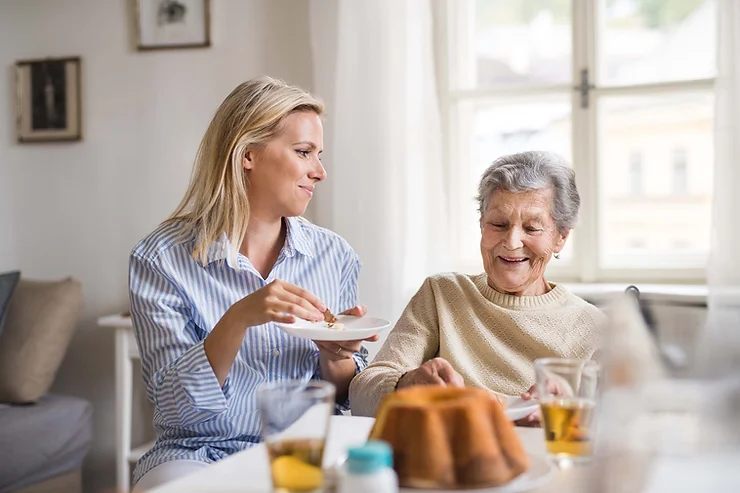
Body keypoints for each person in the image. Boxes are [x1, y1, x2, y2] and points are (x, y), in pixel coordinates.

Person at [128, 76, 376, 491]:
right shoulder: (160, 259)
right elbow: (174, 411)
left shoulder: (335, 255)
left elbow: (346, 392)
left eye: (319, 155)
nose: (320, 172)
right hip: (196, 454)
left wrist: (337, 356)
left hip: (307, 449)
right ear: (247, 155)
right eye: (304, 153)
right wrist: (238, 317)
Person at [349, 151, 606, 420]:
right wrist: (407, 386)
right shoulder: (442, 294)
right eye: (498, 224)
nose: (512, 242)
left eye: (531, 228)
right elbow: (360, 395)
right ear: (482, 225)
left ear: (560, 238)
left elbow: (619, 434)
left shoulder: (593, 328)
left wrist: (571, 418)